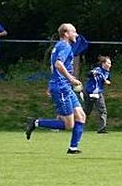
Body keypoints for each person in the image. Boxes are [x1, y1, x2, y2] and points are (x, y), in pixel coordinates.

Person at [25, 23, 87, 155]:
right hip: (62, 87)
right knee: (68, 125)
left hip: (64, 86)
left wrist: (51, 83)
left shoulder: (59, 46)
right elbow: (58, 65)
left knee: (81, 116)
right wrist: (71, 79)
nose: (76, 34)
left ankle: (73, 148)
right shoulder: (64, 46)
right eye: (73, 32)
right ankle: (36, 122)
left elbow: (53, 67)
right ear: (66, 33)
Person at [82, 55, 112, 134]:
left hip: (99, 93)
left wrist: (107, 82)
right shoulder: (97, 70)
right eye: (108, 63)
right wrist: (92, 73)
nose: (110, 65)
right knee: (87, 111)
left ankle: (102, 128)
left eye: (110, 63)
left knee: (103, 110)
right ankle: (79, 126)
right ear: (103, 63)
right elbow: (88, 74)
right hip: (90, 92)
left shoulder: (107, 73)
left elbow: (108, 81)